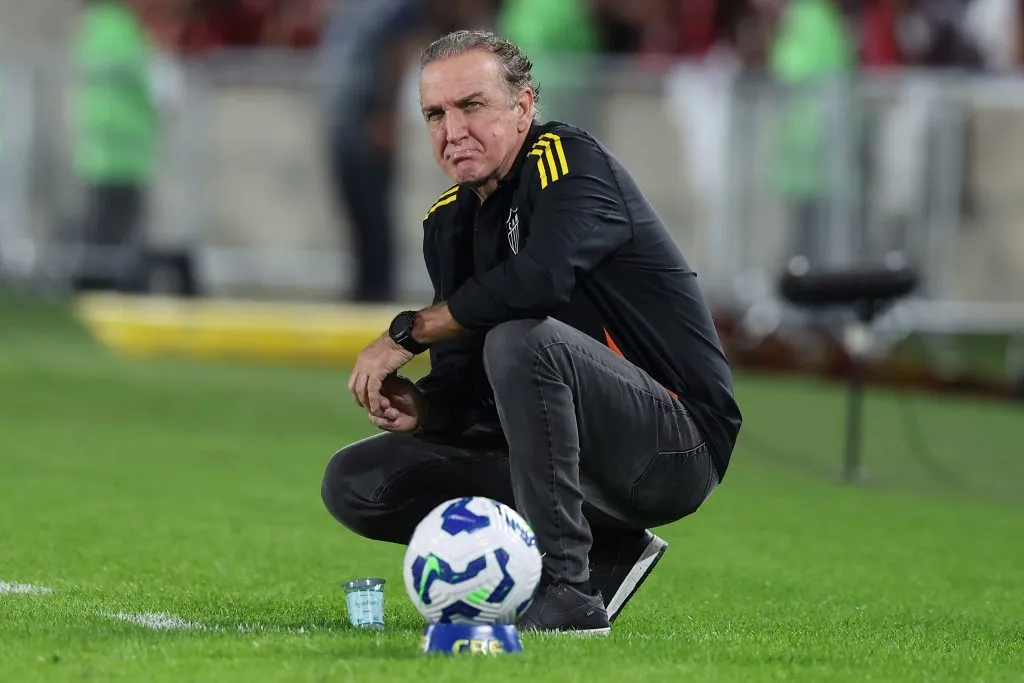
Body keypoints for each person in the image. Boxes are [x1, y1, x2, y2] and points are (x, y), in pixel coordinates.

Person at [322, 29, 742, 635]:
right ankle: (608, 547)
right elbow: (467, 385)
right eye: (435, 114)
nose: (452, 129)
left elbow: (538, 281)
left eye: (472, 105)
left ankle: (570, 590)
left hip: (674, 445)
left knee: (521, 338)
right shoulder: (448, 221)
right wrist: (428, 409)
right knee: (357, 481)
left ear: (523, 108)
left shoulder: (567, 161)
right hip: (569, 450)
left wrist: (407, 333)